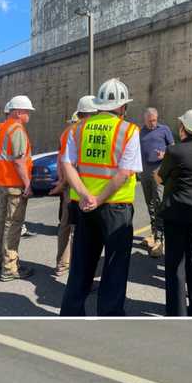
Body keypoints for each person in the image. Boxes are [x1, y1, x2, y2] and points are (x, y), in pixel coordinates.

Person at [60, 78, 141, 316]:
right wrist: (100, 198)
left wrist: (86, 196)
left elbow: (67, 165)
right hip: (116, 208)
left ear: (98, 105)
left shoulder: (78, 128)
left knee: (81, 266)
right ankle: (110, 317)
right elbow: (124, 173)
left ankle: (71, 315)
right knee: (115, 268)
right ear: (123, 107)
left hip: (84, 207)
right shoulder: (129, 130)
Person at [158, 108, 192, 316]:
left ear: (184, 128)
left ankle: (177, 310)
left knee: (175, 262)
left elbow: (160, 177)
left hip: (176, 211)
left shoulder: (174, 151)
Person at [49, 96, 97, 276]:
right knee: (84, 231)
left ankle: (61, 265)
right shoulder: (95, 131)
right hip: (89, 186)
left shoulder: (68, 132)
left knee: (66, 225)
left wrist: (62, 183)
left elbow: (62, 160)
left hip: (70, 186)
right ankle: (81, 272)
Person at [0, 95, 36, 282]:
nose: (29, 116)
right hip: (14, 185)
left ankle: (0, 261)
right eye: (28, 112)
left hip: (1, 184)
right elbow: (19, 161)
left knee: (1, 224)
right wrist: (28, 184)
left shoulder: (2, 128)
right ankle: (9, 268)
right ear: (19, 112)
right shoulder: (17, 129)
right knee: (12, 227)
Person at [139, 107, 174, 257]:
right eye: (150, 121)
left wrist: (164, 154)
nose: (152, 123)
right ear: (144, 120)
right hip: (144, 172)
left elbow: (173, 149)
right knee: (150, 203)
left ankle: (161, 237)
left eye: (154, 120)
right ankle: (154, 233)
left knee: (159, 202)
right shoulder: (140, 133)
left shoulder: (164, 129)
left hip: (159, 170)